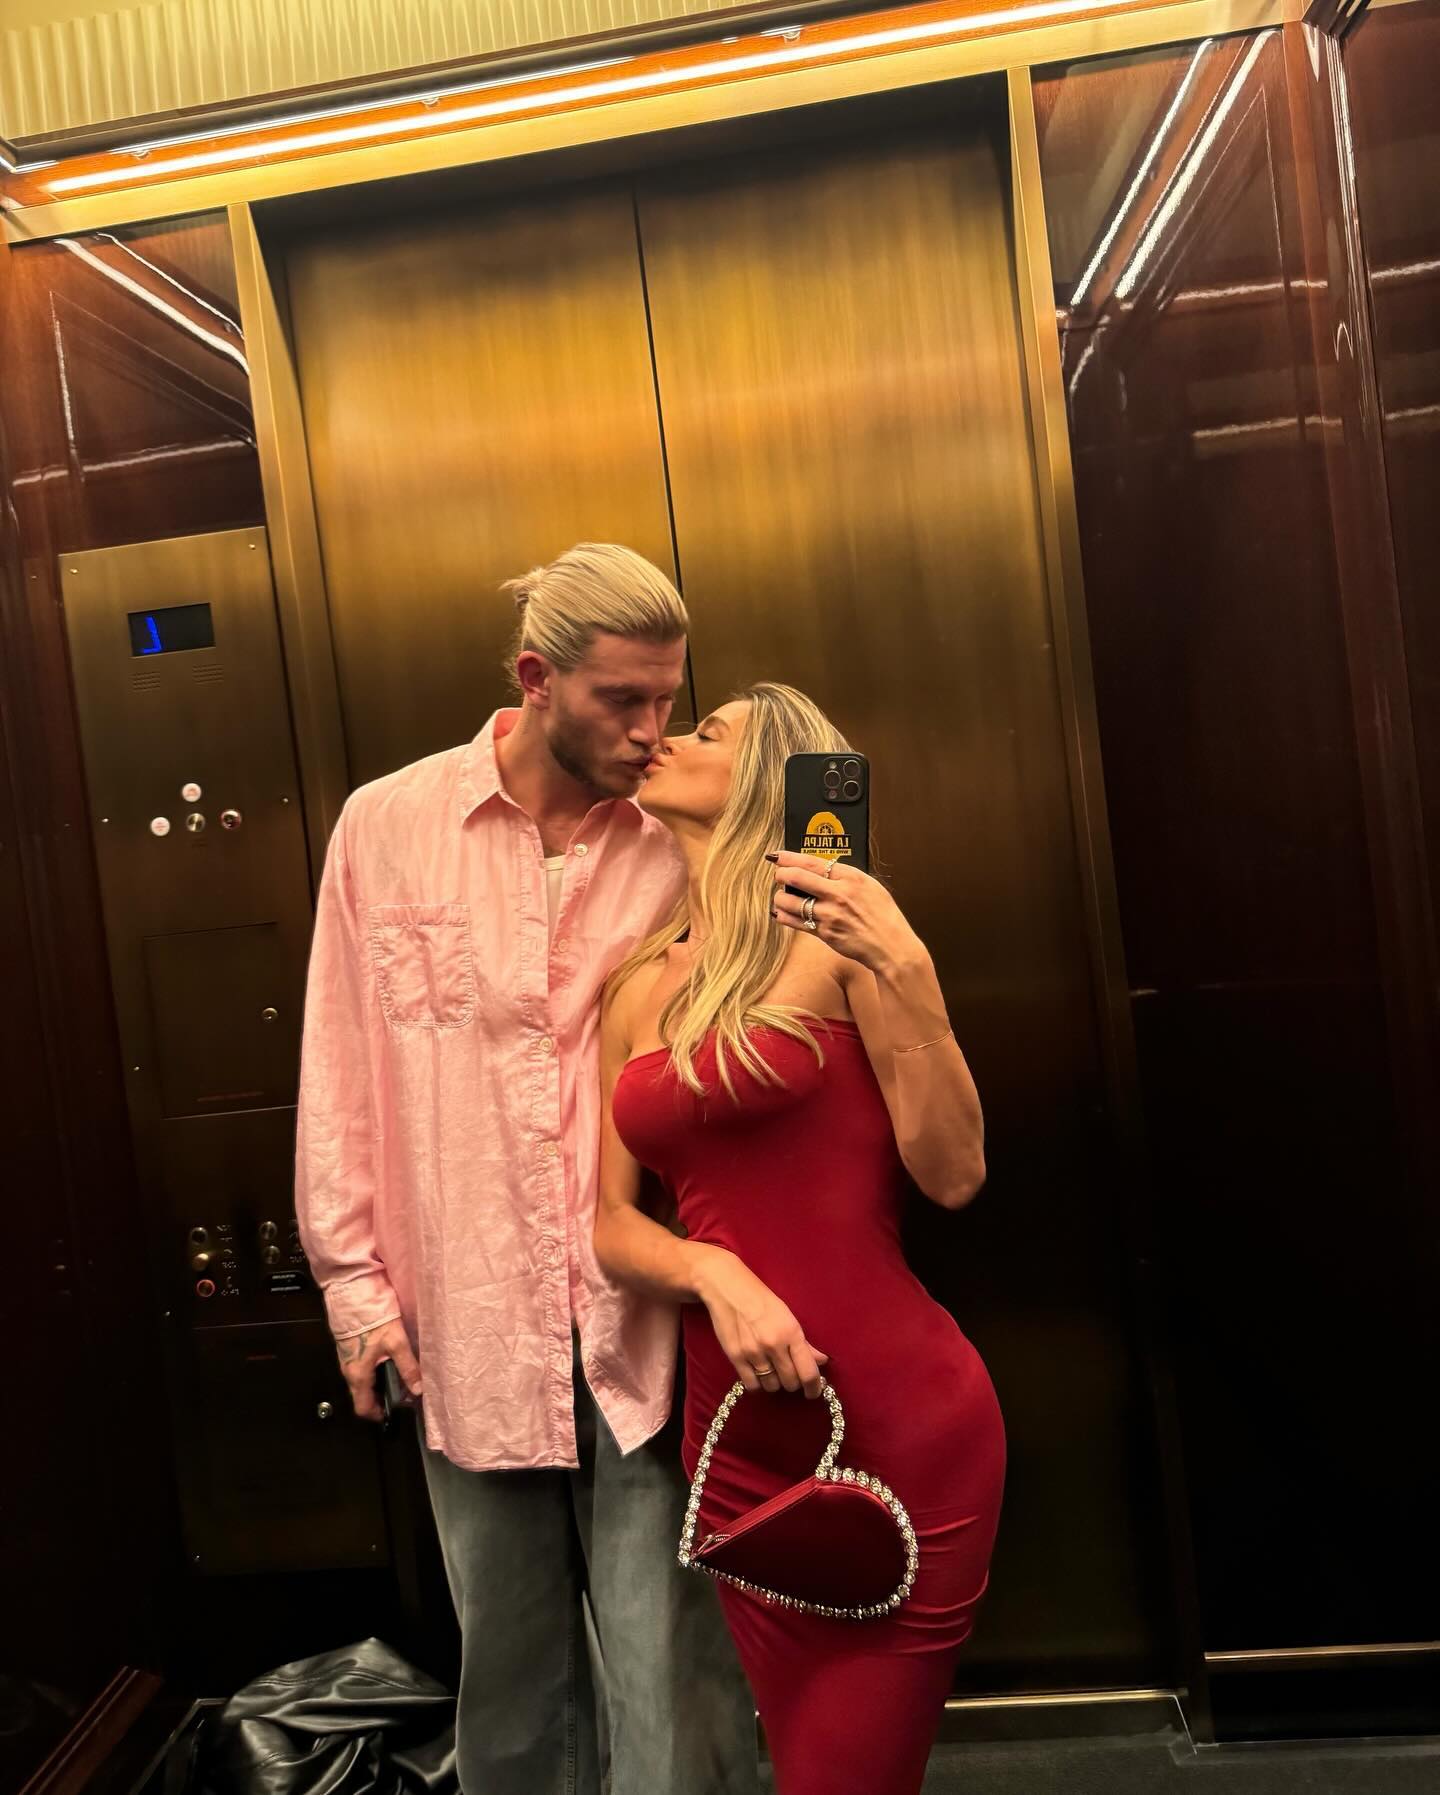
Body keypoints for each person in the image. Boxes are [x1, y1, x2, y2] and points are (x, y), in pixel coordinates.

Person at [294, 544, 761, 1795]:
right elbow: (340, 1066)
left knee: (669, 1661)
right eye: (622, 699)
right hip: (467, 1309)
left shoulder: (678, 834)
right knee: (509, 1668)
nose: (651, 731)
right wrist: (354, 1288)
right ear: (536, 679)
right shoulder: (387, 827)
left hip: (642, 1310)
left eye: (668, 698)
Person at [596, 682, 1006, 1795]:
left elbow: (954, 1173)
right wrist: (711, 1269)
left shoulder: (839, 947)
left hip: (897, 1421)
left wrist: (904, 968)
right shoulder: (636, 985)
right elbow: (612, 1226)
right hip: (739, 1445)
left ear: (775, 781)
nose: (669, 739)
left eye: (708, 732)